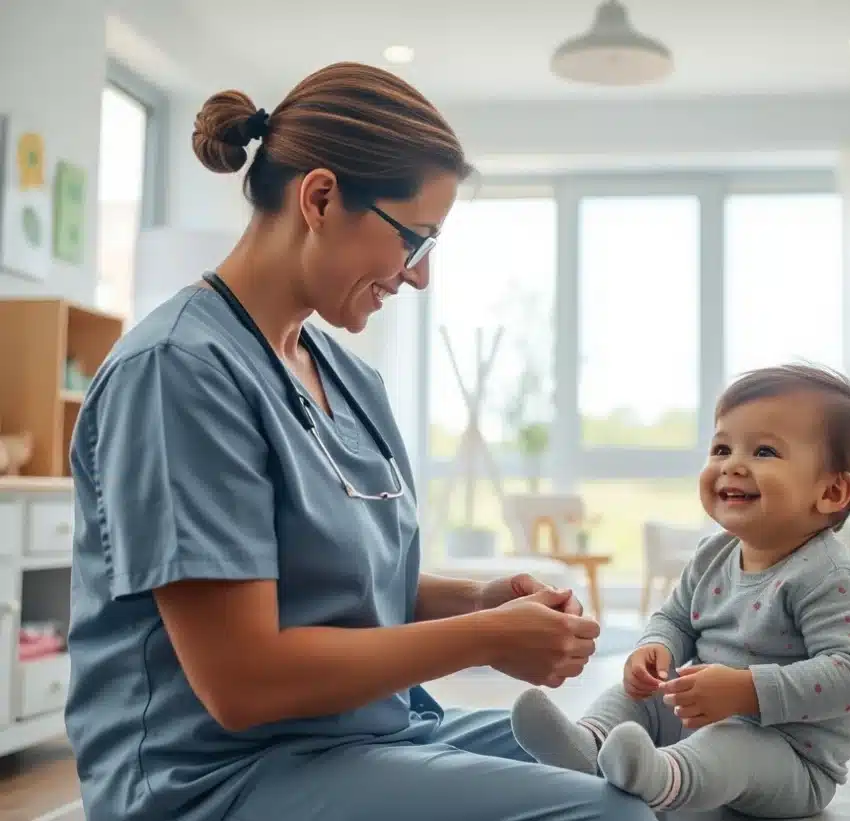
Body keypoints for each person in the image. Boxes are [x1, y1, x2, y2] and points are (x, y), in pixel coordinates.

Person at [64, 61, 656, 821]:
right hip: (215, 780)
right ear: (319, 198)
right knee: (612, 816)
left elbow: (340, 585)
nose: (420, 277)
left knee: (642, 765)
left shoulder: (345, 376)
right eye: (415, 239)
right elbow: (244, 680)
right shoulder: (177, 374)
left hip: (368, 732)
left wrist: (478, 599)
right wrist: (481, 636)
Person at [510, 363, 850, 817]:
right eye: (722, 447)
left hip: (789, 758)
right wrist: (656, 648)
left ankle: (660, 780)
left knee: (732, 742)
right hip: (702, 717)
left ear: (830, 492)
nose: (732, 464)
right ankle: (589, 744)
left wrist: (747, 690)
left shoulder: (831, 579)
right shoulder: (715, 554)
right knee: (641, 695)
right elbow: (674, 617)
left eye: (765, 451)